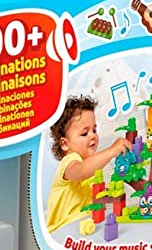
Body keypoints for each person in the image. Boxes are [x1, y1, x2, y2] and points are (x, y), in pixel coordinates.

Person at [45, 96, 128, 234]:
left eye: (94, 130)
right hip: (61, 230)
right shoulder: (69, 162)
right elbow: (82, 170)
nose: (93, 136)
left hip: (84, 227)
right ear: (65, 144)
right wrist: (111, 151)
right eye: (84, 133)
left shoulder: (91, 168)